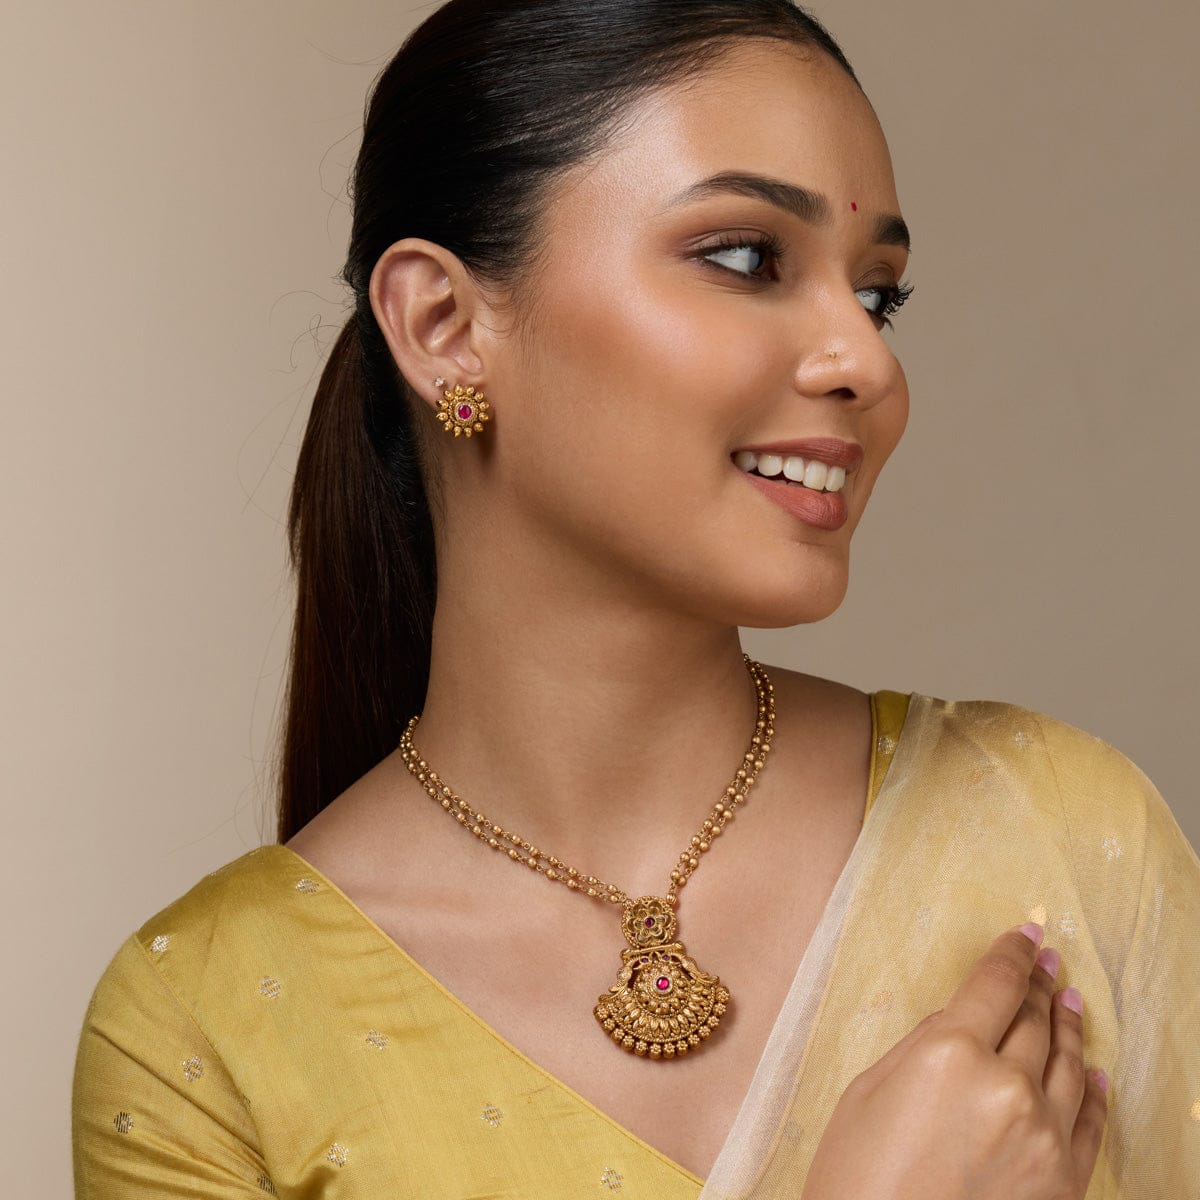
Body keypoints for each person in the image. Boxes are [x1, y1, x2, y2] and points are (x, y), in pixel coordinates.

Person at [71, 1, 1200, 1197]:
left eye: (878, 297)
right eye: (748, 258)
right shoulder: (201, 1037)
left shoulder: (1058, 831)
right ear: (444, 326)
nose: (867, 362)